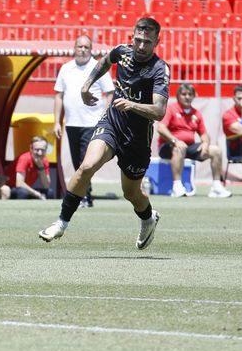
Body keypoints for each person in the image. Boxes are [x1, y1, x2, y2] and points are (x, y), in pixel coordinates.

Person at [39, 17, 169, 250]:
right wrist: (86, 85)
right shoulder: (123, 52)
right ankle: (61, 222)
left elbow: (159, 111)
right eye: (138, 40)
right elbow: (104, 62)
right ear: (132, 37)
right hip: (111, 124)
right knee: (86, 166)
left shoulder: (159, 69)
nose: (141, 46)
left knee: (131, 194)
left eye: (147, 42)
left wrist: (133, 105)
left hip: (137, 139)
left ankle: (148, 218)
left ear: (157, 42)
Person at [54, 35, 113, 208]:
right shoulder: (66, 68)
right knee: (76, 162)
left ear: (91, 49)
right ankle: (84, 195)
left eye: (86, 47)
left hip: (91, 122)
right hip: (72, 122)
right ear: (74, 48)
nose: (83, 50)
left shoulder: (98, 66)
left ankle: (84, 197)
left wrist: (105, 115)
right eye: (80, 47)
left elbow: (109, 92)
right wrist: (57, 122)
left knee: (84, 162)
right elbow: (59, 95)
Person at [155, 82, 232, 198]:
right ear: (178, 96)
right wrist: (175, 140)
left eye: (190, 94)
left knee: (215, 150)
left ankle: (216, 186)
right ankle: (177, 186)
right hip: (168, 146)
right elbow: (161, 128)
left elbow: (204, 134)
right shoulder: (171, 109)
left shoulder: (196, 113)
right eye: (184, 94)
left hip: (188, 147)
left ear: (193, 96)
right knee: (179, 148)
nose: (187, 97)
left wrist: (205, 143)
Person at [12, 135, 60, 201]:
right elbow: (19, 183)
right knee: (23, 192)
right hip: (12, 188)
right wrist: (36, 193)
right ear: (31, 149)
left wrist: (41, 167)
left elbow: (46, 185)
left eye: (42, 150)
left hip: (27, 189)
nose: (40, 153)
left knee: (50, 192)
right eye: (37, 150)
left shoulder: (44, 160)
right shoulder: (24, 158)